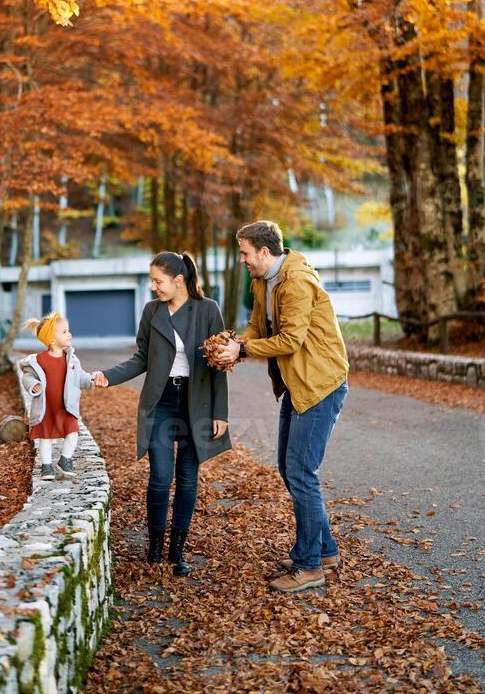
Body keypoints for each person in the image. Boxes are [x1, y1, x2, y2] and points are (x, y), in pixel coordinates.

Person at [217, 220, 349, 594]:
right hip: (296, 383)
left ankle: (309, 566)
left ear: (263, 251)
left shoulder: (298, 281)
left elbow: (290, 339)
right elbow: (258, 326)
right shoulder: (262, 280)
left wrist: (243, 349)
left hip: (320, 384)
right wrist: (237, 347)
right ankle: (324, 550)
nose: (242, 259)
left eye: (244, 253)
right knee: (289, 468)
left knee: (301, 471)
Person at [92, 251, 231, 576]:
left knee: (186, 479)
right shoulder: (152, 311)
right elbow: (141, 358)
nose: (153, 286)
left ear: (178, 281)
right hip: (161, 403)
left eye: (158, 280)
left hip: (196, 403)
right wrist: (109, 376)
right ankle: (154, 547)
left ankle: (176, 552)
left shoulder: (208, 310)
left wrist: (220, 411)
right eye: (152, 280)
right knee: (159, 477)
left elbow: (219, 363)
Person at [19, 312, 94, 481]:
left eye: (68, 331)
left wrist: (91, 379)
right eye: (65, 332)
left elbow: (80, 378)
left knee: (73, 432)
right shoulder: (38, 361)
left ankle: (65, 460)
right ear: (52, 340)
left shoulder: (72, 360)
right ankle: (46, 466)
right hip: (46, 407)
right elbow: (27, 376)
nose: (70, 334)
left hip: (66, 407)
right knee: (45, 438)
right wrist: (32, 385)